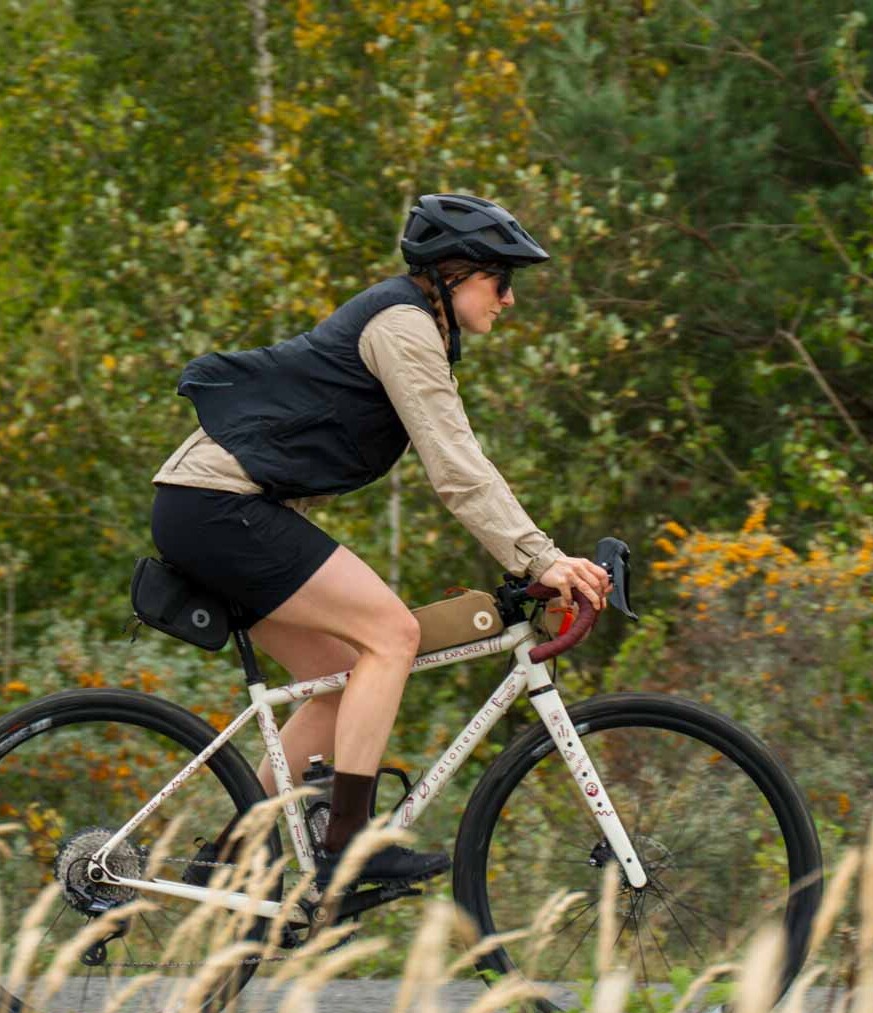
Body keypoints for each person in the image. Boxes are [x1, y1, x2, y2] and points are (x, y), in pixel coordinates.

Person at [150, 193, 611, 888]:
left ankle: (230, 859)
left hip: (209, 507)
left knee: (339, 676)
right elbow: (456, 469)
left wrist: (532, 559)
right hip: (216, 506)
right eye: (500, 280)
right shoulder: (403, 325)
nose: (509, 299)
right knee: (391, 636)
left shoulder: (412, 324)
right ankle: (347, 843)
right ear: (454, 273)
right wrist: (541, 558)